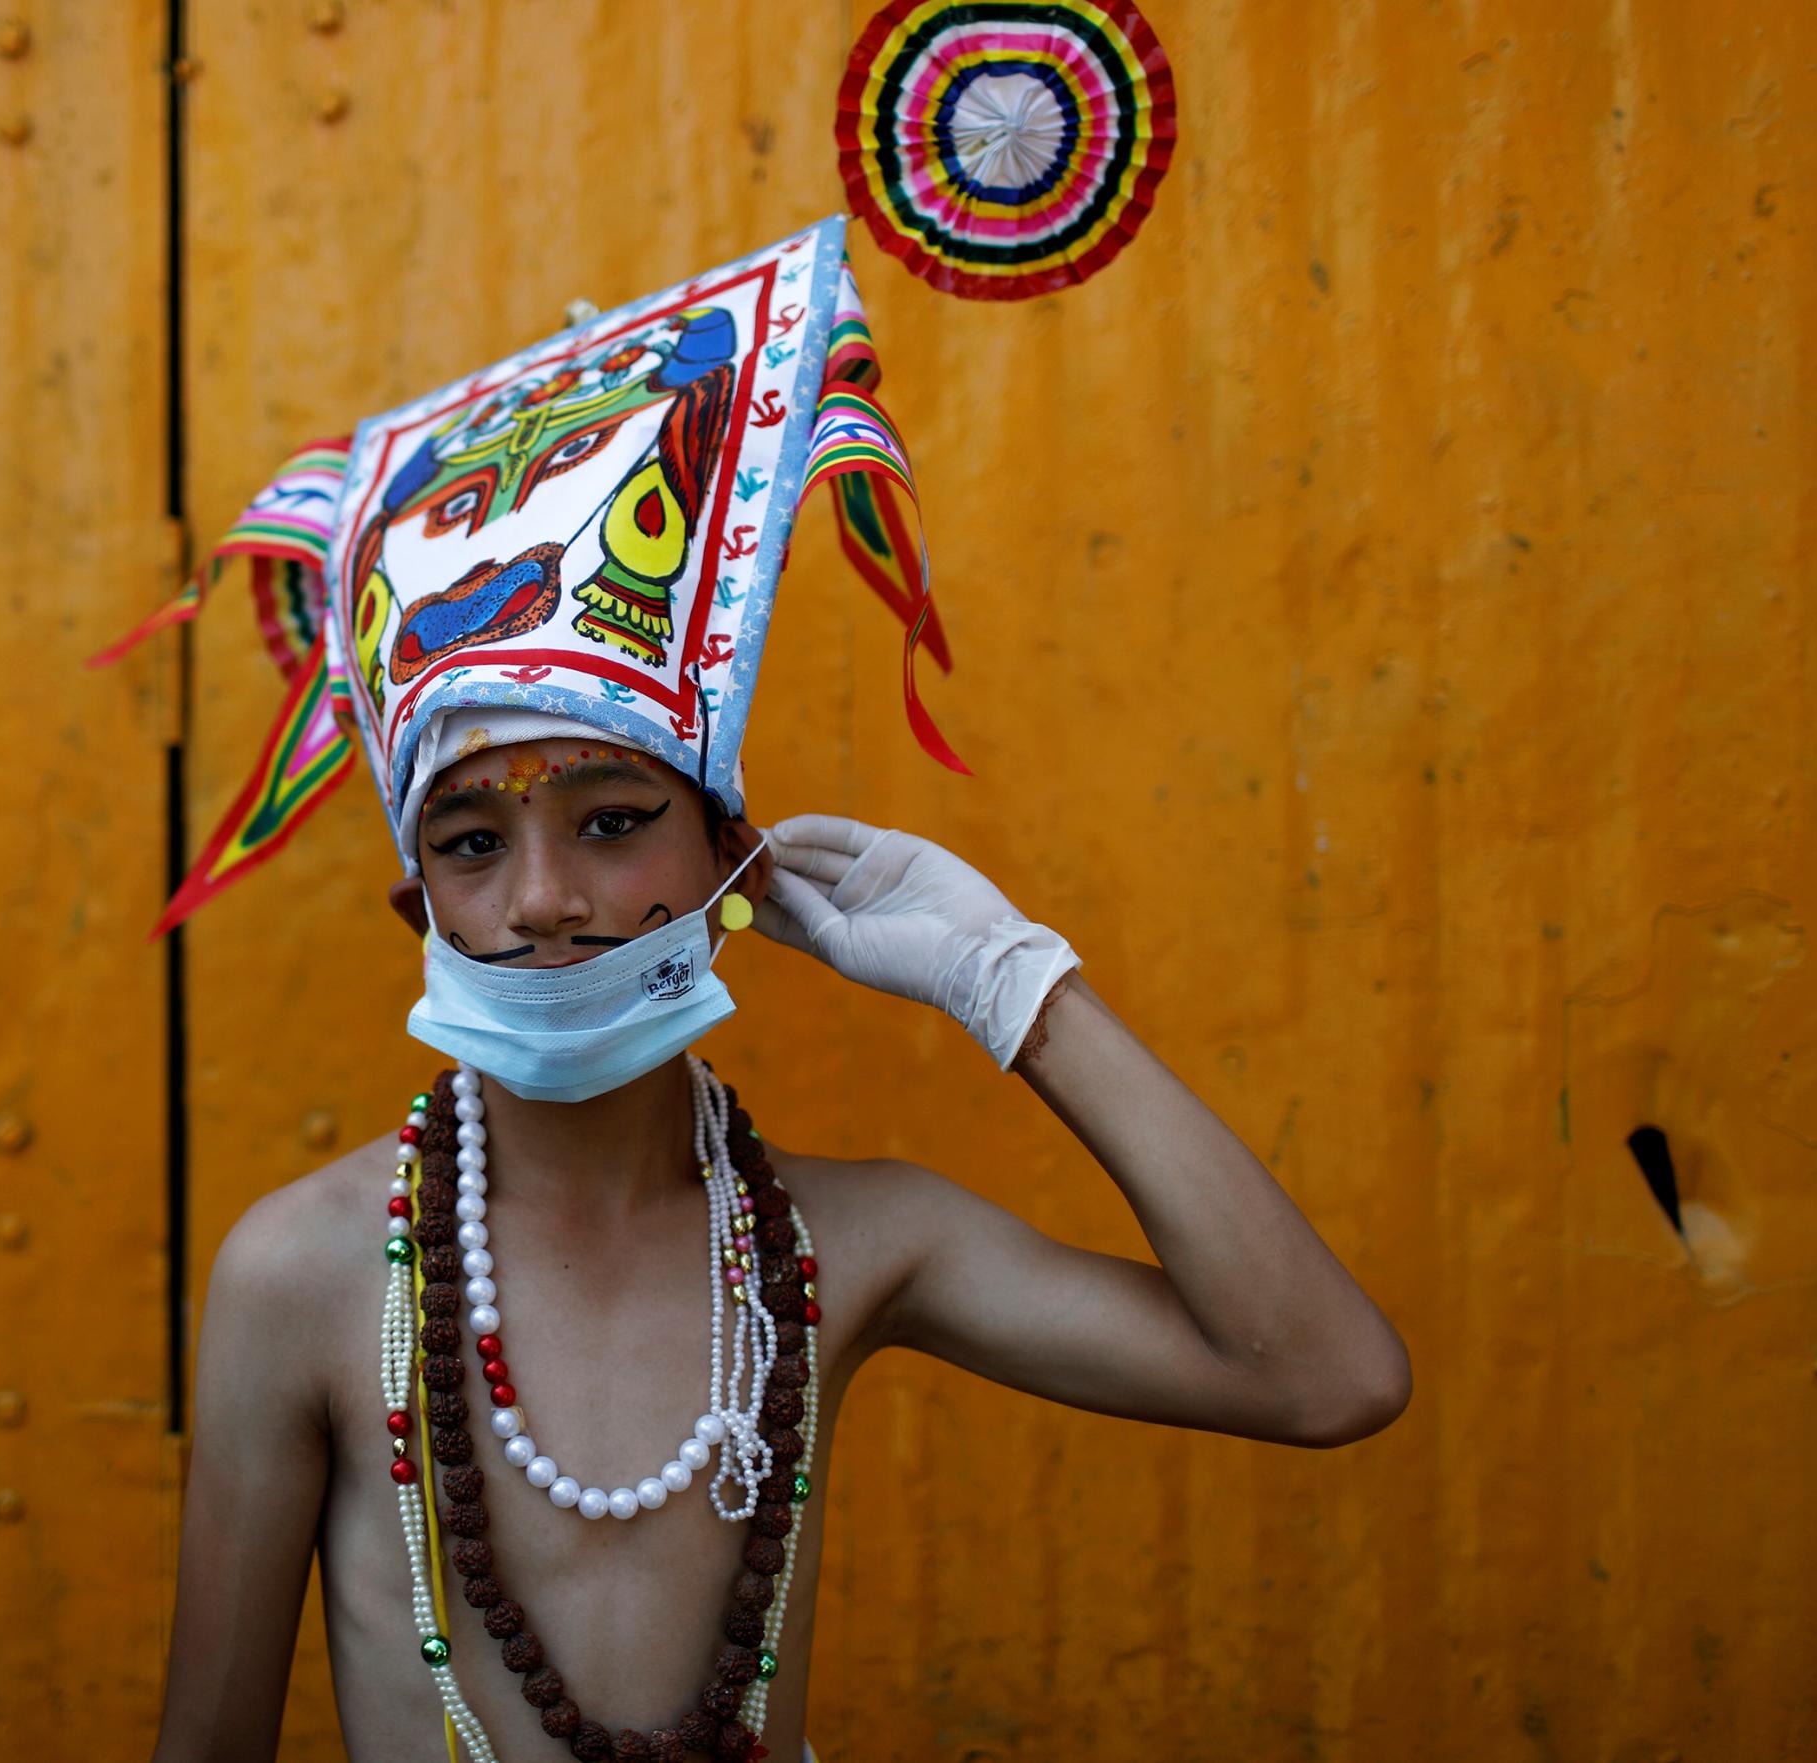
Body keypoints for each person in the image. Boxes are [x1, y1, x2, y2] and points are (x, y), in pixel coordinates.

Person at [119, 220, 1409, 1762]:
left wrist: (1017, 989)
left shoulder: (845, 1244)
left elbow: (1325, 1377)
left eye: (614, 823)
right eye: (474, 844)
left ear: (731, 859)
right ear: (422, 906)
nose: (544, 900)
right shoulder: (308, 1279)